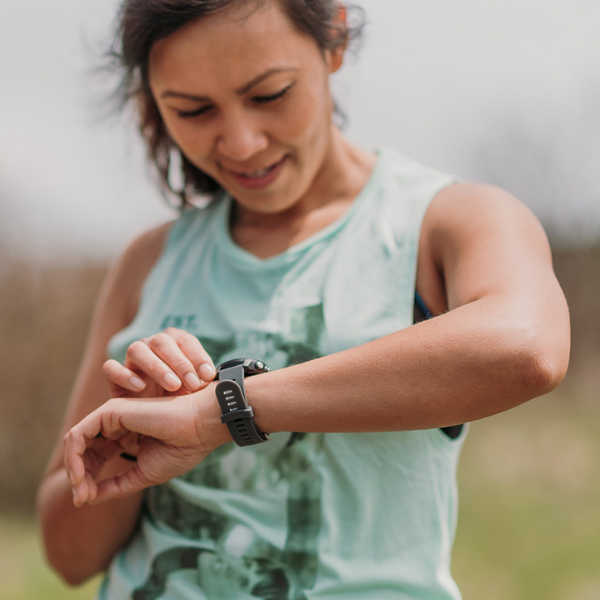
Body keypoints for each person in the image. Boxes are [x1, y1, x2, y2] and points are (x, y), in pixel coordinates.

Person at [37, 0, 571, 598]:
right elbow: (68, 558)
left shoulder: (445, 221)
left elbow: (528, 347)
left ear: (334, 39)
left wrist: (218, 413)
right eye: (193, 110)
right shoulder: (149, 260)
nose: (240, 142)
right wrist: (126, 450)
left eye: (270, 94)